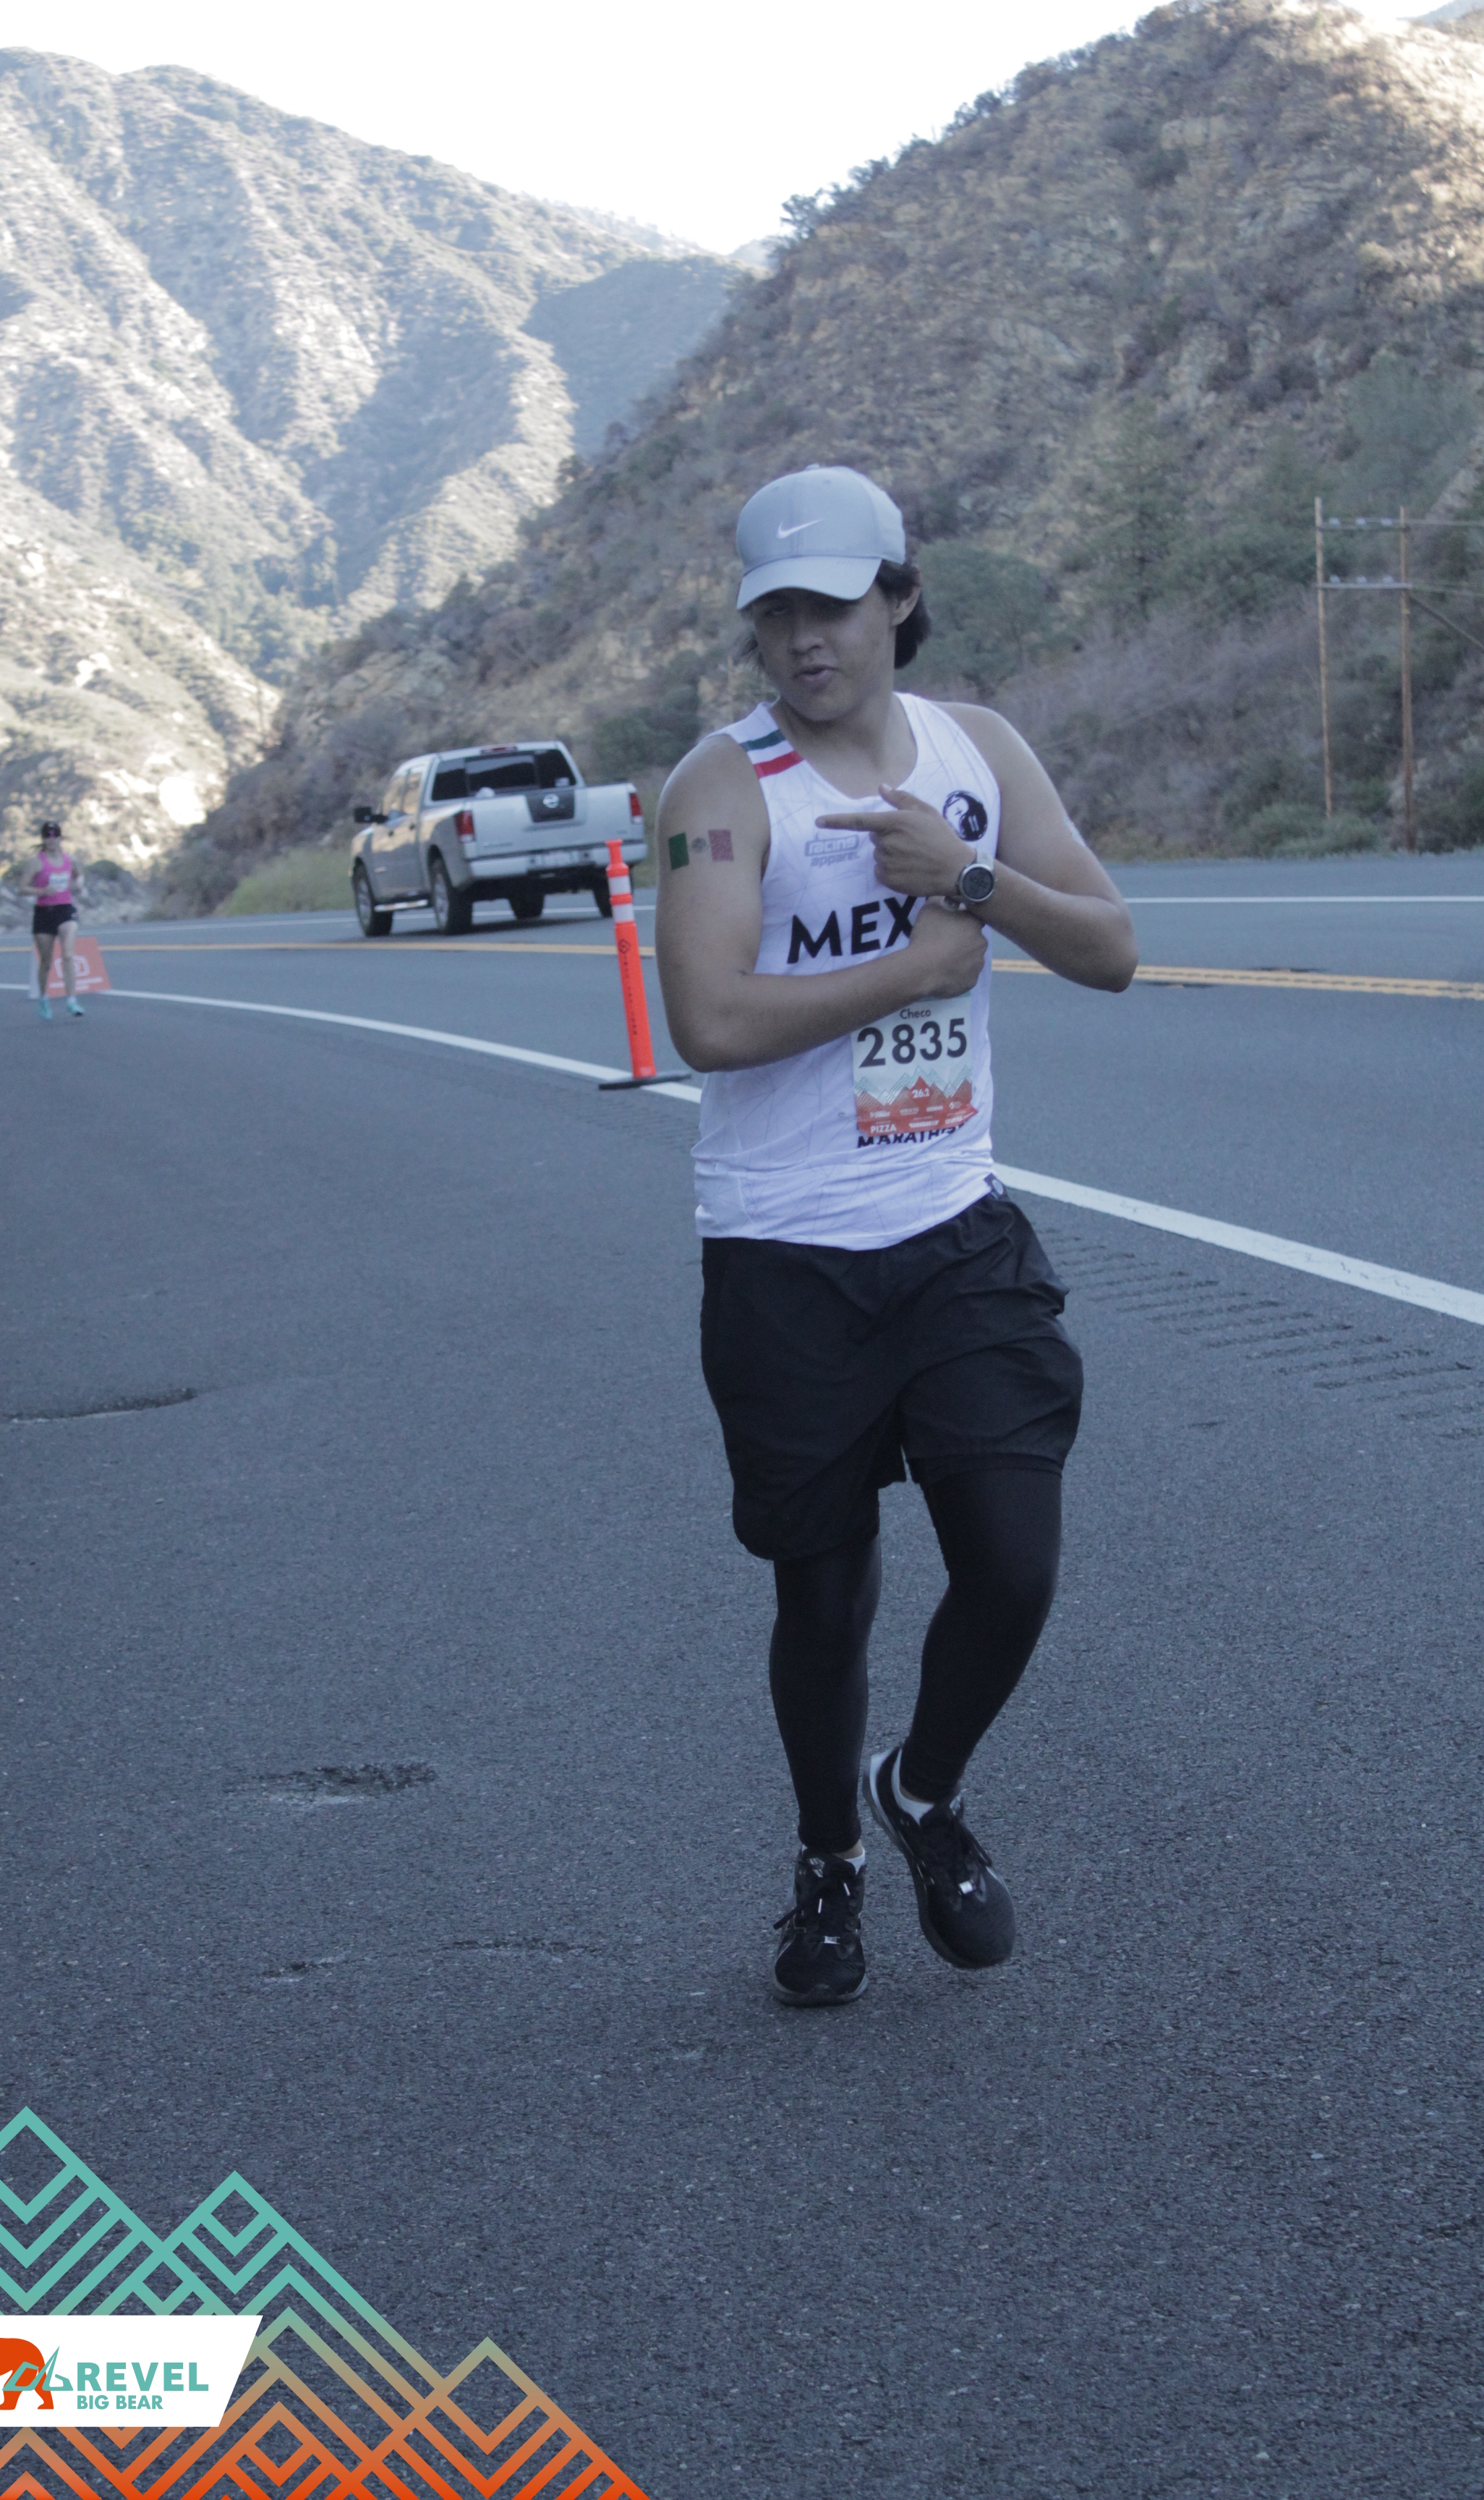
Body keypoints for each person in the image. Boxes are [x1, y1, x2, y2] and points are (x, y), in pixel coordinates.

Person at [654, 464, 1138, 2007]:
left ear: (900, 598)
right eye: (775, 614)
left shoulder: (976, 753)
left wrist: (971, 881)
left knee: (1011, 1562)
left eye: (834, 605)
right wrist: (917, 967)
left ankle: (916, 1792)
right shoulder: (720, 792)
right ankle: (826, 1863)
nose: (804, 638)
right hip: (783, 1251)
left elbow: (1111, 947)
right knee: (823, 1595)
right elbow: (708, 1020)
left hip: (949, 1227)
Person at [25, 822, 83, 1020]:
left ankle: (72, 1001)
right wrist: (41, 891)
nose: (51, 839)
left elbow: (79, 876)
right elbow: (22, 888)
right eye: (47, 835)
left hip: (65, 910)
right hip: (44, 913)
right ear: (43, 839)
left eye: (55, 835)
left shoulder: (70, 860)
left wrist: (78, 884)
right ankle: (43, 998)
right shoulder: (36, 862)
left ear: (60, 838)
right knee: (46, 961)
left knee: (68, 955)